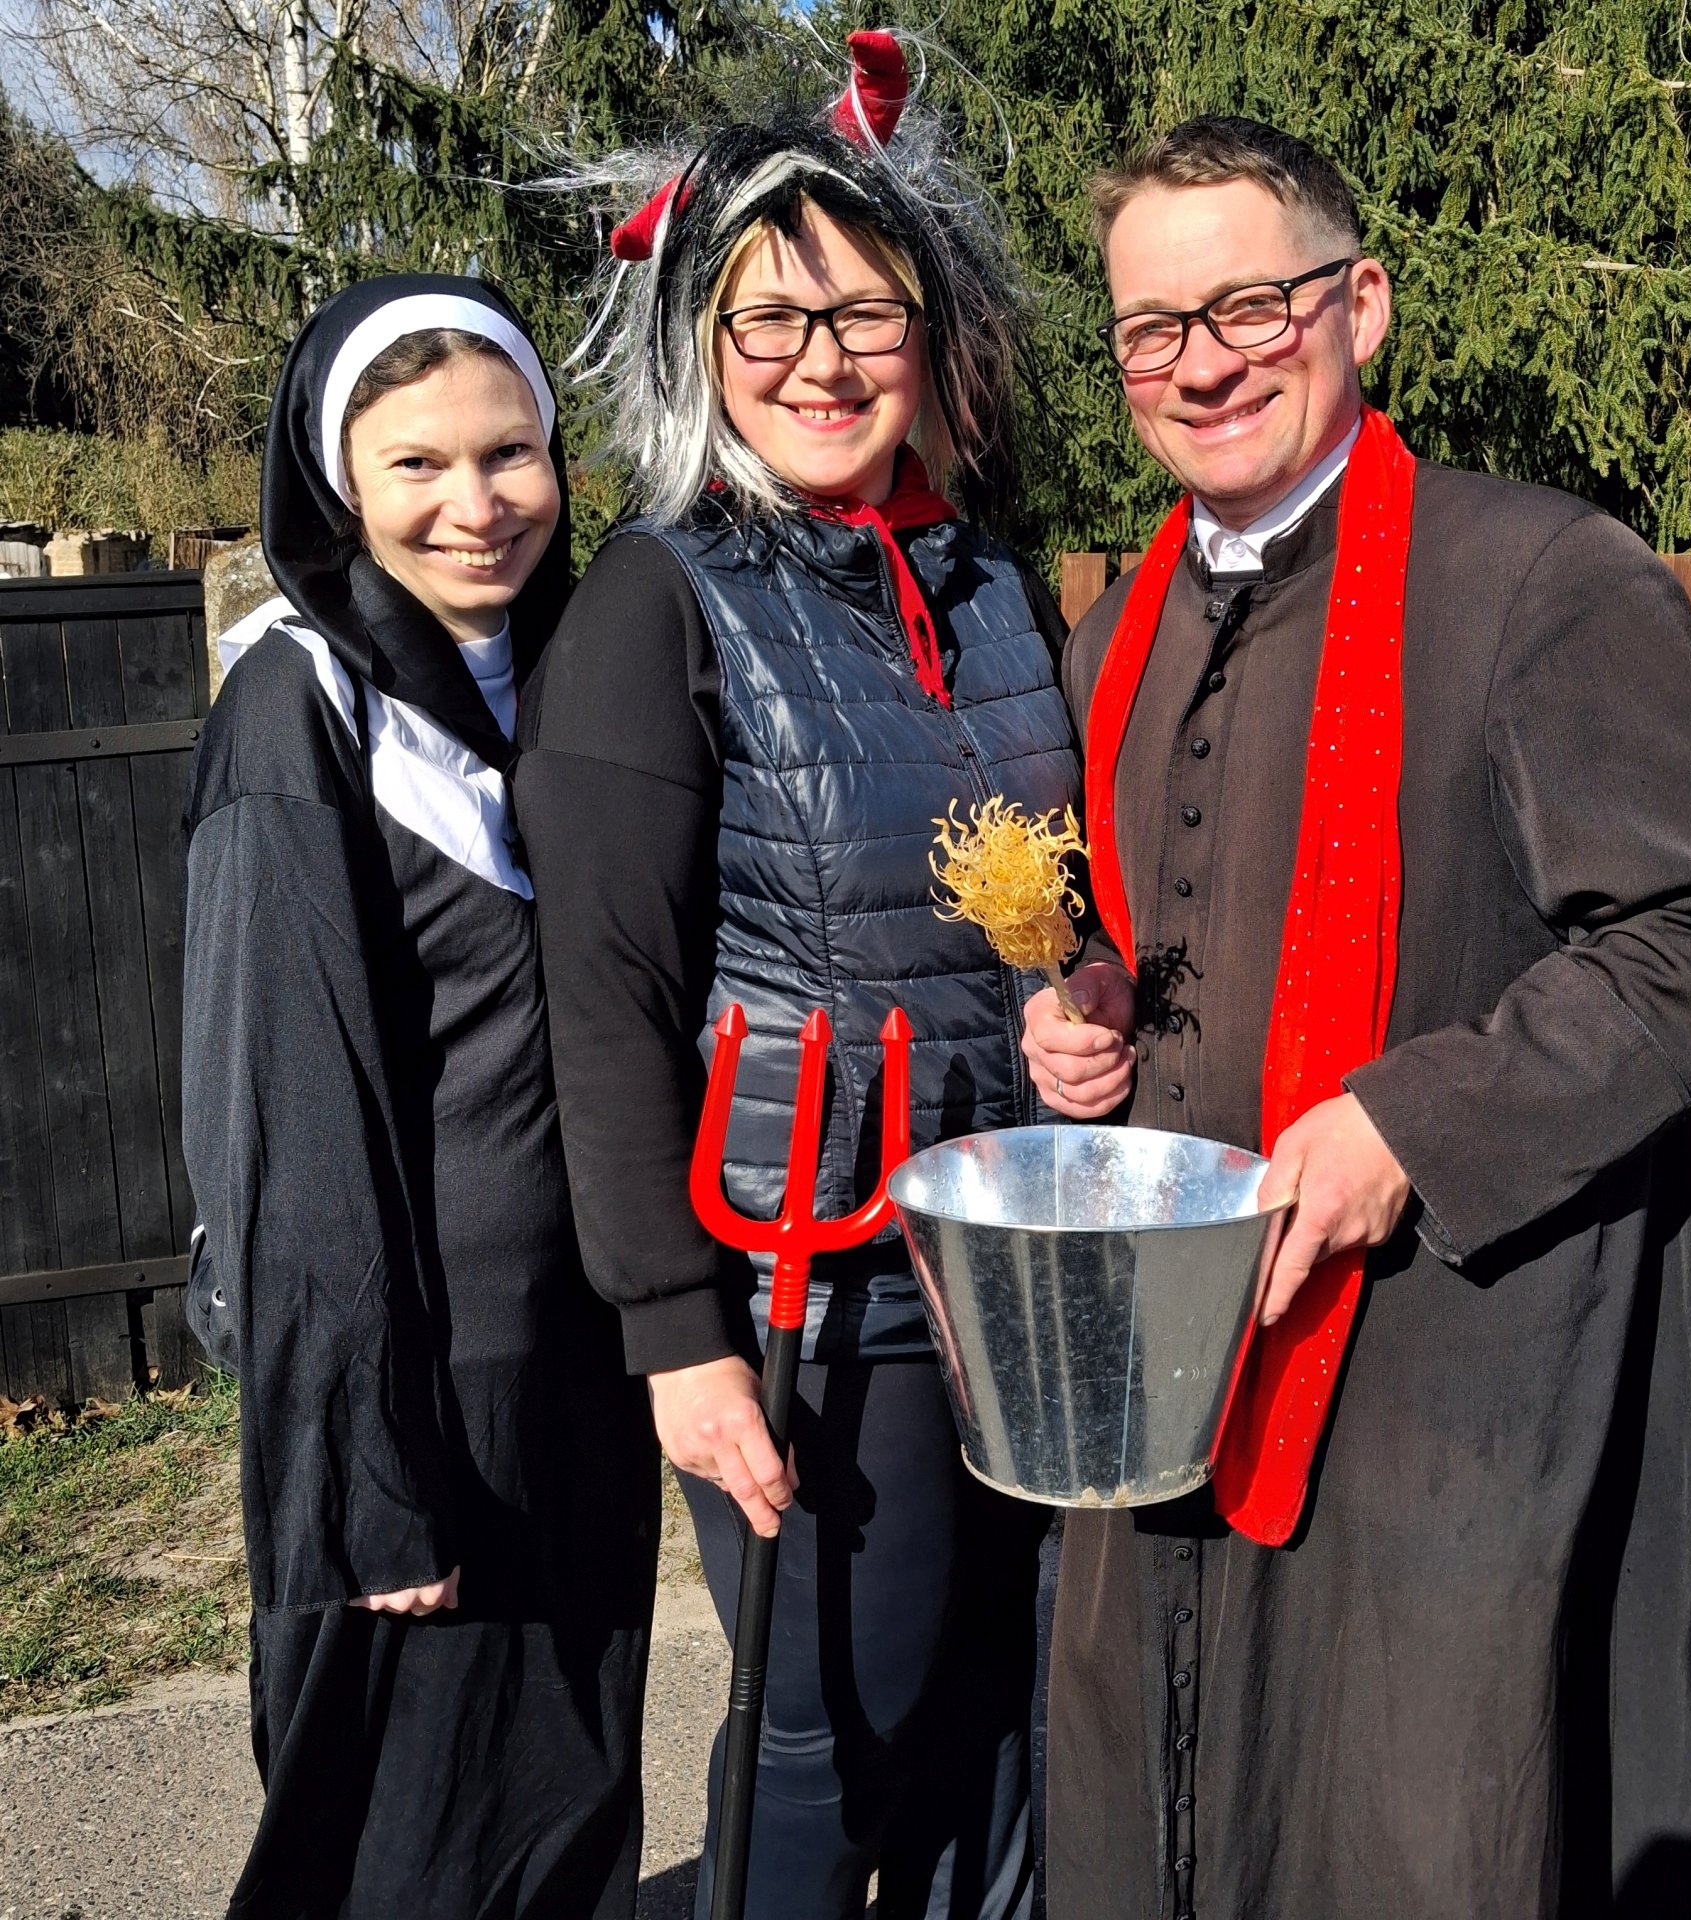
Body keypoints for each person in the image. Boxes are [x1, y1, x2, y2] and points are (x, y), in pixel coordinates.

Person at [1020, 117, 1691, 1919]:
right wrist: (1078, 1017)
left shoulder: (1538, 576)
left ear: (1359, 304)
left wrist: (1410, 1123)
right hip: (1178, 1359)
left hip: (1459, 1363)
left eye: (1251, 306)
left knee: (1419, 1829)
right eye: (1154, 329)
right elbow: (1141, 931)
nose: (1204, 363)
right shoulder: (1117, 626)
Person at [514, 35, 1076, 1920]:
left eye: (864, 315)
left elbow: (1046, 899)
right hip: (810, 1282)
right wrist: (674, 1339)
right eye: (769, 319)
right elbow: (600, 1000)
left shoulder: (992, 583)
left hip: (1013, 1248)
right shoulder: (655, 603)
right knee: (840, 1722)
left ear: (932, 331)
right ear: (704, 344)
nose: (821, 362)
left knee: (1002, 1705)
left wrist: (1079, 995)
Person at [181, 275, 653, 1919]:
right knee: (411, 1845)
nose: (478, 503)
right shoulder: (297, 709)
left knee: (561, 1801)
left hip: (573, 1360)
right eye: (419, 465)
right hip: (423, 1390)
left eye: (511, 452)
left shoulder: (560, 676)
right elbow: (286, 1121)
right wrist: (366, 1485)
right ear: (339, 484)